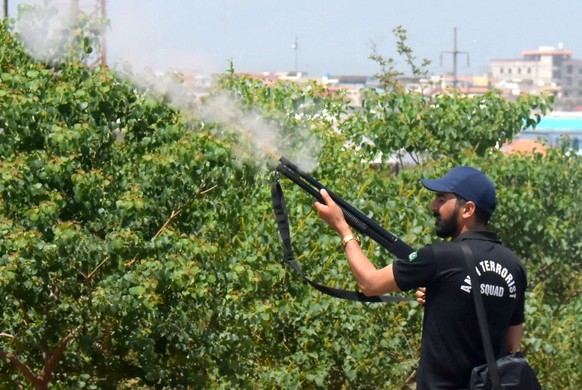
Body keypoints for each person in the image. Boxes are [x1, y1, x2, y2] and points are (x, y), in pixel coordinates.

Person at [314, 166, 527, 389]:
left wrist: (343, 229)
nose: (433, 206)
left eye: (442, 198)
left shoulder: (440, 256)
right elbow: (511, 344)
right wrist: (446, 296)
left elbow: (369, 283)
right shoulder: (514, 265)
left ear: (468, 209)